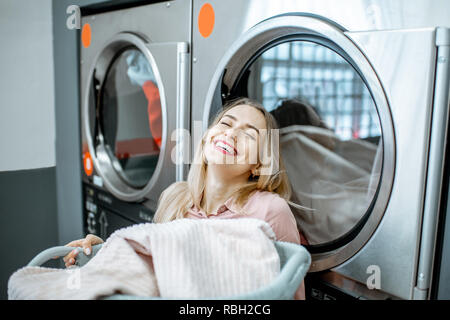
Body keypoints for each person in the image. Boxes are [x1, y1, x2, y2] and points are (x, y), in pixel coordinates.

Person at [63, 97, 308, 299]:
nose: (231, 134)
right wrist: (105, 252)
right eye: (226, 123)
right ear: (208, 136)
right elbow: (155, 274)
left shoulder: (270, 210)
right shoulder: (176, 198)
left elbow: (291, 294)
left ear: (258, 164)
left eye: (249, 135)